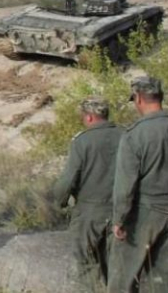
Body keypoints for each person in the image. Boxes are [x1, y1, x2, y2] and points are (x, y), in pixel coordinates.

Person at [108, 77, 168, 293]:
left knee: (123, 275)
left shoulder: (134, 135)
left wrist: (119, 219)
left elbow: (125, 184)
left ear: (139, 98)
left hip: (146, 212)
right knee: (166, 278)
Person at [52, 96, 121, 285]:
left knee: (87, 265)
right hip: (121, 211)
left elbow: (68, 180)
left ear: (89, 117)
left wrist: (60, 201)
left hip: (89, 212)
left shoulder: (82, 141)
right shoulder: (126, 136)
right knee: (117, 266)